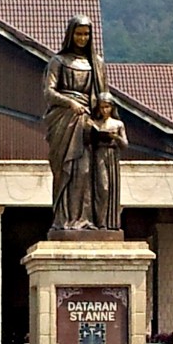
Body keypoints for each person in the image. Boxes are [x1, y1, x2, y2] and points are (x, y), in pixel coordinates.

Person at [43, 15, 107, 232]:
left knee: (85, 170)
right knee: (65, 170)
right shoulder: (58, 62)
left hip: (87, 122)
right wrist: (70, 103)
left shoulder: (96, 64)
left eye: (86, 34)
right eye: (78, 34)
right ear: (71, 35)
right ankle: (64, 219)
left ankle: (84, 218)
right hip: (64, 122)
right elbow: (49, 91)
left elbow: (103, 95)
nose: (82, 38)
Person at [87, 93, 127, 230]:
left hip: (112, 154)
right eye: (102, 107)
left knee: (111, 188)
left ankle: (110, 222)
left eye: (107, 107)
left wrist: (115, 137)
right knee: (102, 187)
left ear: (112, 107)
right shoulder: (95, 123)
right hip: (99, 154)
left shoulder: (118, 124)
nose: (104, 110)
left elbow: (125, 144)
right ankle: (100, 221)